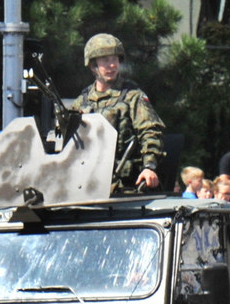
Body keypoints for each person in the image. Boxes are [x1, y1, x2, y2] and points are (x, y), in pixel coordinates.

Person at [69, 33, 166, 193]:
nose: (111, 65)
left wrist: (149, 166)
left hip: (125, 186)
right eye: (105, 60)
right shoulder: (83, 101)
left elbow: (150, 131)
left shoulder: (131, 95)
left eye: (114, 59)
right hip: (87, 186)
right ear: (93, 66)